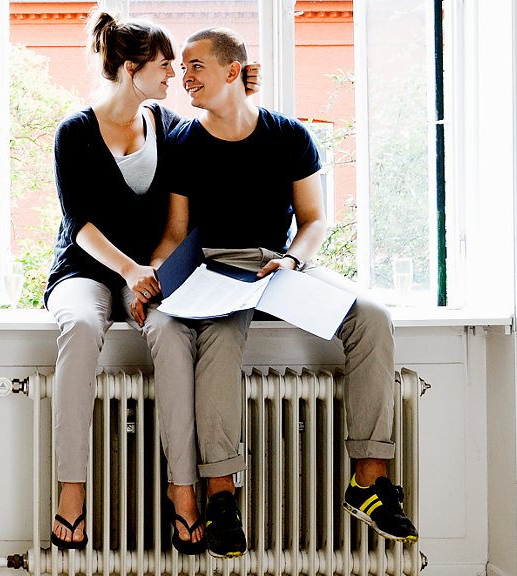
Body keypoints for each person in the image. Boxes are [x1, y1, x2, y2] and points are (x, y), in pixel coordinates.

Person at [148, 26, 419, 558]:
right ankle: (221, 496)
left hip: (281, 263)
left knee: (372, 315)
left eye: (196, 66)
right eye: (182, 69)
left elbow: (314, 219)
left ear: (232, 70)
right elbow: (176, 234)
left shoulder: (289, 135)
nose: (185, 77)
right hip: (216, 267)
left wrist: (292, 259)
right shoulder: (182, 143)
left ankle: (369, 480)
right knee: (218, 342)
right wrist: (154, 277)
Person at [44, 12, 258, 555]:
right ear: (130, 68)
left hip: (151, 274)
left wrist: (243, 94)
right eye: (164, 65)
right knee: (80, 326)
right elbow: (79, 224)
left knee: (169, 329)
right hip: (85, 270)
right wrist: (130, 271)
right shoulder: (74, 132)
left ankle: (182, 488)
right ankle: (72, 487)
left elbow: (216, 148)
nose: (173, 75)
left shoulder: (167, 125)